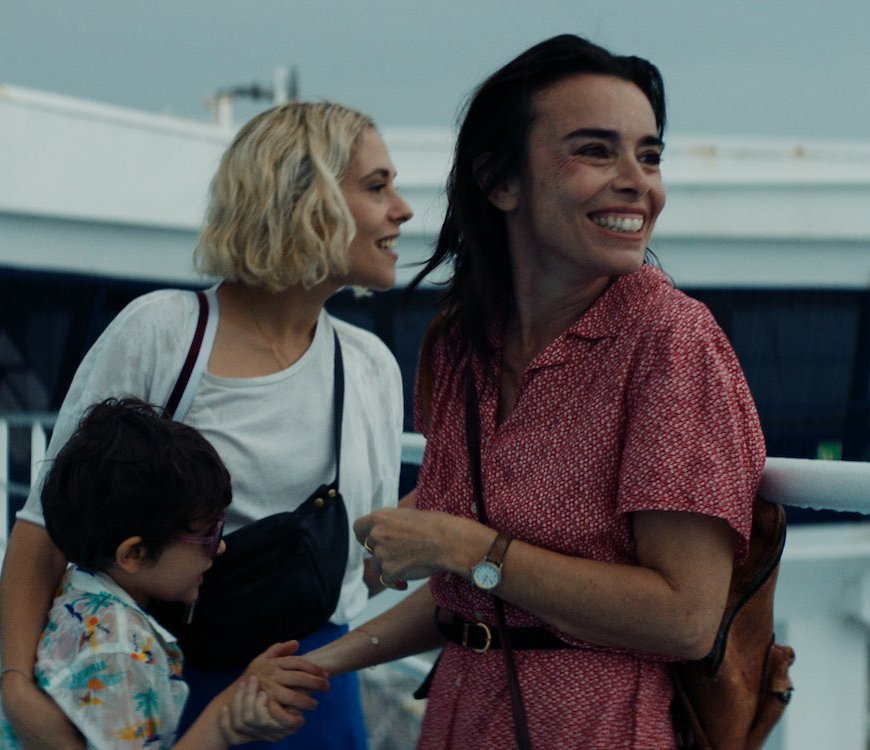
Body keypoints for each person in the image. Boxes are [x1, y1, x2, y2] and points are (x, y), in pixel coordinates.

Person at [303, 34, 766, 748]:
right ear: (500, 182)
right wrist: (321, 664)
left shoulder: (670, 340)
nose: (637, 182)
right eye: (595, 151)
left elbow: (683, 617)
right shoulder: (461, 345)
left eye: (649, 155)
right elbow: (478, 598)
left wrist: (463, 543)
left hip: (596, 730)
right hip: (460, 716)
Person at [0, 101, 412, 749]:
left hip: (310, 697)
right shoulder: (164, 333)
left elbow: (358, 568)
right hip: (154, 686)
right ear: (305, 201)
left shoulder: (369, 367)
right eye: (377, 186)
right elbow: (46, 522)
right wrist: (16, 686)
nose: (403, 210)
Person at [0, 397, 330, 749]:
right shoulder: (120, 651)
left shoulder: (74, 593)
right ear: (134, 554)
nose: (220, 547)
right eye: (209, 533)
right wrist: (224, 720)